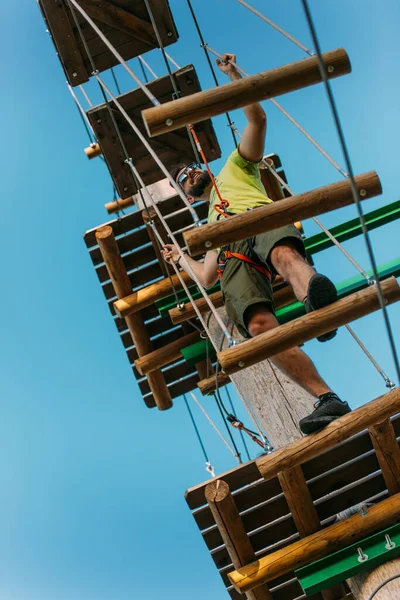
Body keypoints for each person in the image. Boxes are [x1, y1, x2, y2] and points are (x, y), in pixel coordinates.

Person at [162, 53, 350, 434]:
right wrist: (181, 256)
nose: (191, 174)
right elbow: (207, 276)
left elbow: (256, 119)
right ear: (187, 196)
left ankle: (312, 296)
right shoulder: (211, 227)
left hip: (258, 220)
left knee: (281, 251)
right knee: (259, 326)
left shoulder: (236, 165)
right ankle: (328, 399)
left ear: (205, 169)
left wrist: (234, 74)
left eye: (192, 168)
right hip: (231, 251)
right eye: (183, 178)